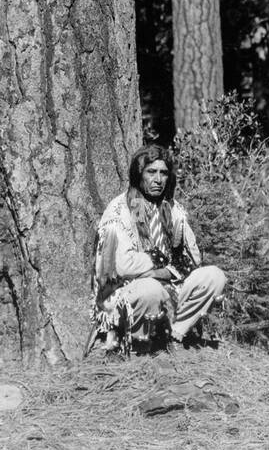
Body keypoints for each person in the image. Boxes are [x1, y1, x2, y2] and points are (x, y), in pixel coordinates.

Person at [89, 144, 227, 355]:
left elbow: (193, 258)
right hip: (127, 293)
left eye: (163, 173)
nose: (158, 179)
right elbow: (123, 267)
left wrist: (161, 270)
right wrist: (162, 261)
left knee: (214, 277)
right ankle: (139, 345)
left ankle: (176, 335)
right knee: (149, 289)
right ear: (139, 174)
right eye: (151, 172)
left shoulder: (172, 209)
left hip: (171, 285)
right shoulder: (120, 211)